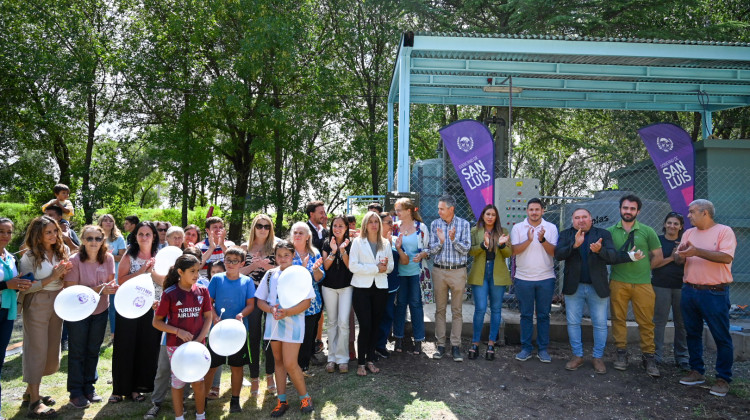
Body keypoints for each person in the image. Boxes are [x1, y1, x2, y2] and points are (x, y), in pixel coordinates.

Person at [675, 199, 737, 397]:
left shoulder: (724, 231)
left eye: (692, 212)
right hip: (689, 290)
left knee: (721, 336)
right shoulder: (688, 233)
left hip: (714, 292)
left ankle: (723, 378)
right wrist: (682, 255)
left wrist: (696, 251)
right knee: (692, 333)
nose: (689, 215)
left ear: (705, 213)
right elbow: (678, 259)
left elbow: (726, 257)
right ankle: (697, 371)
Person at [18, 216, 72, 418]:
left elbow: (63, 278)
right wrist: (54, 276)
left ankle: (30, 392)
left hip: (58, 301)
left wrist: (65, 274)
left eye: (55, 231)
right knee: (36, 348)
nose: (53, 235)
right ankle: (34, 403)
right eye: (48, 232)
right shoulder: (29, 257)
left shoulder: (63, 250)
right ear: (37, 234)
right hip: (37, 301)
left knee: (51, 349)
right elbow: (27, 286)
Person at [554, 208, 618, 374]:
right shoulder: (566, 234)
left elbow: (612, 257)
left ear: (591, 218)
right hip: (573, 287)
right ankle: (578, 356)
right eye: (577, 217)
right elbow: (558, 254)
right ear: (572, 220)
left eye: (584, 217)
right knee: (573, 323)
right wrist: (574, 245)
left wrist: (600, 250)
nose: (581, 220)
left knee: (600, 324)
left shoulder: (603, 234)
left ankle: (598, 357)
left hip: (597, 287)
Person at [256, 241, 316, 416]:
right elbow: (260, 300)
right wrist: (271, 309)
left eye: (286, 255)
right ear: (275, 256)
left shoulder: (300, 274)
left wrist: (288, 312)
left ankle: (305, 397)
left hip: (293, 324)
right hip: (273, 324)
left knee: (290, 362)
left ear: (293, 256)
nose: (282, 258)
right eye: (279, 255)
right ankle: (282, 400)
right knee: (278, 362)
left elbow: (307, 301)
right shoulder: (269, 275)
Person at [607, 194, 663, 377]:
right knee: (618, 319)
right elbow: (608, 257)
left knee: (646, 321)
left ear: (638, 211)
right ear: (620, 209)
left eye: (632, 208)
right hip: (618, 282)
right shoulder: (610, 232)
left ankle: (649, 357)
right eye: (625, 208)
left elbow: (658, 256)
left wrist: (644, 269)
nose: (628, 211)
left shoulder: (648, 231)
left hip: (643, 284)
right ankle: (621, 354)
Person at [62, 225, 117, 408]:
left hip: (100, 310)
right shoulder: (74, 259)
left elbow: (111, 282)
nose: (94, 242)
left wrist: (111, 287)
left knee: (93, 350)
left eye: (98, 238)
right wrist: (99, 289)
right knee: (77, 352)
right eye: (89, 238)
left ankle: (89, 387)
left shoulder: (108, 258)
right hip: (78, 313)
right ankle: (76, 392)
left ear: (103, 240)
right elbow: (70, 289)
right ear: (83, 240)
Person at [153, 254, 212, 420]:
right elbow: (156, 322)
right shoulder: (170, 294)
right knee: (178, 382)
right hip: (175, 345)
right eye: (192, 271)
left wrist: (200, 338)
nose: (196, 275)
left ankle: (201, 415)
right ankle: (179, 417)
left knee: (198, 381)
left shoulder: (203, 291)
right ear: (180, 271)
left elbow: (208, 317)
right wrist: (178, 332)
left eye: (198, 271)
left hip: (198, 346)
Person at [110, 221, 161, 403]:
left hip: (153, 307)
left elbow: (166, 281)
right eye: (141, 234)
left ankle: (137, 389)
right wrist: (142, 270)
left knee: (146, 348)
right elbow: (121, 280)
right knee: (125, 347)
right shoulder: (129, 255)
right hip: (129, 307)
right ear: (136, 236)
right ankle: (119, 389)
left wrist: (153, 271)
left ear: (154, 236)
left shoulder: (160, 255)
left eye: (148, 234)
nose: (144, 237)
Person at [204, 247, 256, 414]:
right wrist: (214, 317)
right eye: (228, 260)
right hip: (217, 331)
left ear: (242, 263)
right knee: (211, 366)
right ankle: (202, 399)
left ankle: (235, 400)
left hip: (238, 332)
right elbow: (208, 302)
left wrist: (241, 314)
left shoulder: (247, 281)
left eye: (235, 261)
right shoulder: (217, 279)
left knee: (237, 366)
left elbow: (250, 304)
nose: (231, 264)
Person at [511, 198, 558, 363]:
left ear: (542, 211)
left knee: (544, 315)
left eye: (537, 209)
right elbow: (513, 251)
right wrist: (529, 240)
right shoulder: (518, 228)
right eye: (531, 209)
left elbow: (554, 253)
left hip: (546, 278)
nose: (534, 212)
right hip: (523, 279)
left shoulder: (551, 228)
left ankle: (543, 349)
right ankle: (526, 348)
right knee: (526, 314)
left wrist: (542, 240)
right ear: (527, 211)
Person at [426, 195, 470, 362]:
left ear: (451, 209)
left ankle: (456, 346)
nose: (438, 211)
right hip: (439, 271)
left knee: (457, 311)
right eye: (438, 208)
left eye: (441, 209)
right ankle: (441, 345)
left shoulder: (464, 224)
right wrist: (442, 242)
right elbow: (431, 250)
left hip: (458, 271)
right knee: (440, 310)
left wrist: (453, 240)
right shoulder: (435, 224)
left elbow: (466, 249)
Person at [349, 211, 394, 375]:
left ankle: (370, 359)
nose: (374, 224)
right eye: (371, 222)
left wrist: (384, 268)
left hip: (380, 288)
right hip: (362, 288)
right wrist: (376, 268)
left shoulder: (386, 243)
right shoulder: (358, 242)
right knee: (366, 325)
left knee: (376, 325)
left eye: (376, 222)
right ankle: (361, 363)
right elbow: (353, 266)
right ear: (365, 225)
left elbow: (390, 267)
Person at [467, 205, 512, 361]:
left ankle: (491, 343)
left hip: (497, 273)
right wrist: (484, 245)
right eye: (488, 214)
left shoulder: (503, 231)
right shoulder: (475, 231)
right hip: (480, 272)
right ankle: (475, 342)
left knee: (496, 309)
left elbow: (508, 253)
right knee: (480, 308)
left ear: (496, 217)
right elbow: (470, 251)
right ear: (483, 215)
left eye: (493, 214)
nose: (490, 217)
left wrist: (501, 244)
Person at [239, 214, 278, 394]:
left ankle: (270, 376)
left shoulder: (276, 247)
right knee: (253, 337)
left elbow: (283, 269)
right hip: (251, 298)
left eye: (267, 226)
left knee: (269, 337)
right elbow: (236, 272)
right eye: (260, 226)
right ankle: (254, 378)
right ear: (254, 227)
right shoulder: (244, 248)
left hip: (271, 298)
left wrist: (266, 265)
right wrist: (254, 266)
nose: (263, 229)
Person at [0, 218, 32, 418]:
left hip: (8, 312)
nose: (5, 235)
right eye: (1, 231)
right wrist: (6, 285)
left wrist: (21, 282)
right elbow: (6, 283)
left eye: (9, 232)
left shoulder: (9, 257)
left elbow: (11, 281)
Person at [651, 212, 689, 370]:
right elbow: (652, 264)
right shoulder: (658, 241)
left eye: (676, 224)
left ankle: (682, 357)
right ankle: (656, 356)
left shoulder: (685, 242)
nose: (672, 226)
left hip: (682, 286)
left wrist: (680, 256)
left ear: (681, 226)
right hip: (661, 286)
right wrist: (672, 258)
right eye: (669, 223)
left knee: (682, 323)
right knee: (659, 322)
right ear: (665, 224)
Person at [392, 197, 429, 355]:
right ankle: (398, 339)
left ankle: (419, 340)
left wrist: (422, 255)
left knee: (415, 305)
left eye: (399, 210)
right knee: (400, 305)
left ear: (408, 211)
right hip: (400, 273)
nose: (396, 212)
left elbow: (429, 249)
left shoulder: (421, 227)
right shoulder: (394, 227)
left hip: (416, 273)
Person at [288, 222, 324, 377]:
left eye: (301, 233)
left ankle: (303, 367)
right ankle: (291, 368)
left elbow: (319, 278)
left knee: (308, 336)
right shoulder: (287, 252)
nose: (297, 235)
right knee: (293, 336)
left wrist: (315, 270)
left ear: (308, 236)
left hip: (312, 304)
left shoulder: (315, 253)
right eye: (295, 232)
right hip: (292, 302)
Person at [320, 216, 352, 373]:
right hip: (329, 288)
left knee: (343, 322)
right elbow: (325, 266)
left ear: (346, 227)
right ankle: (331, 358)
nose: (337, 228)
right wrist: (333, 251)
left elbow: (350, 266)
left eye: (340, 225)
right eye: (334, 225)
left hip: (346, 287)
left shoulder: (351, 243)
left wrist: (342, 250)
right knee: (332, 322)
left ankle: (342, 358)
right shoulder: (326, 242)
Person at [375, 212, 407, 359]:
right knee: (375, 315)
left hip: (391, 285)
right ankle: (371, 346)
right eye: (388, 222)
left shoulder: (395, 240)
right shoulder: (371, 240)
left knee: (388, 314)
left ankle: (381, 346)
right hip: (374, 285)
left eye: (391, 222)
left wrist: (397, 248)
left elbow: (404, 260)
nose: (391, 225)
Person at [305, 201, 328, 355]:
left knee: (318, 313)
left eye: (324, 211)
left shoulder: (324, 231)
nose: (324, 215)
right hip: (308, 280)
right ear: (311, 214)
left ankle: (314, 346)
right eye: (320, 212)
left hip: (322, 277)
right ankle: (305, 350)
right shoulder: (304, 231)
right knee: (308, 315)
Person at [98, 214, 126, 337]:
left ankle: (114, 333)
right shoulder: (96, 237)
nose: (108, 222)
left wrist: (108, 255)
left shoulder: (118, 238)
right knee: (98, 305)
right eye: (105, 220)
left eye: (111, 221)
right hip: (97, 276)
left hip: (114, 276)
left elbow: (123, 258)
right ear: (100, 223)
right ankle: (97, 333)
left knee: (113, 307)